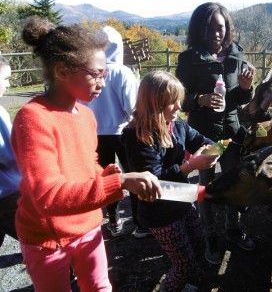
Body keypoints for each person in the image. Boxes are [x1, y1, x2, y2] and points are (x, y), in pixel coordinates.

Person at [11, 16, 161, 292]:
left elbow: (87, 164)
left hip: (89, 225)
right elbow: (48, 196)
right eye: (96, 74)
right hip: (48, 237)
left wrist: (108, 174)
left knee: (100, 286)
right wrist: (120, 183)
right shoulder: (33, 119)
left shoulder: (86, 115)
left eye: (105, 73)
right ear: (62, 71)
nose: (103, 82)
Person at [121, 71, 218, 292]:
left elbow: (201, 140)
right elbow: (154, 182)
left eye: (179, 100)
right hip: (159, 212)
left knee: (198, 243)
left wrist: (215, 150)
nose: (178, 107)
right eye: (171, 102)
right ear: (154, 102)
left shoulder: (177, 124)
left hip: (182, 198)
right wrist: (191, 165)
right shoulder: (137, 136)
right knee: (184, 265)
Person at [175, 2, 256, 266]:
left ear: (227, 28)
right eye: (208, 28)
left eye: (219, 28)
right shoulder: (188, 59)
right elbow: (180, 98)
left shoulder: (237, 55)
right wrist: (200, 99)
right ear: (198, 30)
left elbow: (240, 99)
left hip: (232, 134)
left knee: (235, 182)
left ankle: (232, 229)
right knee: (205, 185)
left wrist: (246, 88)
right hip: (203, 135)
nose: (215, 33)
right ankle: (209, 234)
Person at [83, 26, 146, 238]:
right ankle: (140, 222)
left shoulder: (89, 71)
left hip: (95, 133)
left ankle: (114, 220)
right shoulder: (122, 72)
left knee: (105, 178)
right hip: (122, 132)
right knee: (132, 175)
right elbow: (132, 106)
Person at [0, 56, 21, 247]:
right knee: (39, 236)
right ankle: (66, 275)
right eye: (5, 79)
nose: (8, 84)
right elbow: (7, 153)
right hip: (7, 192)